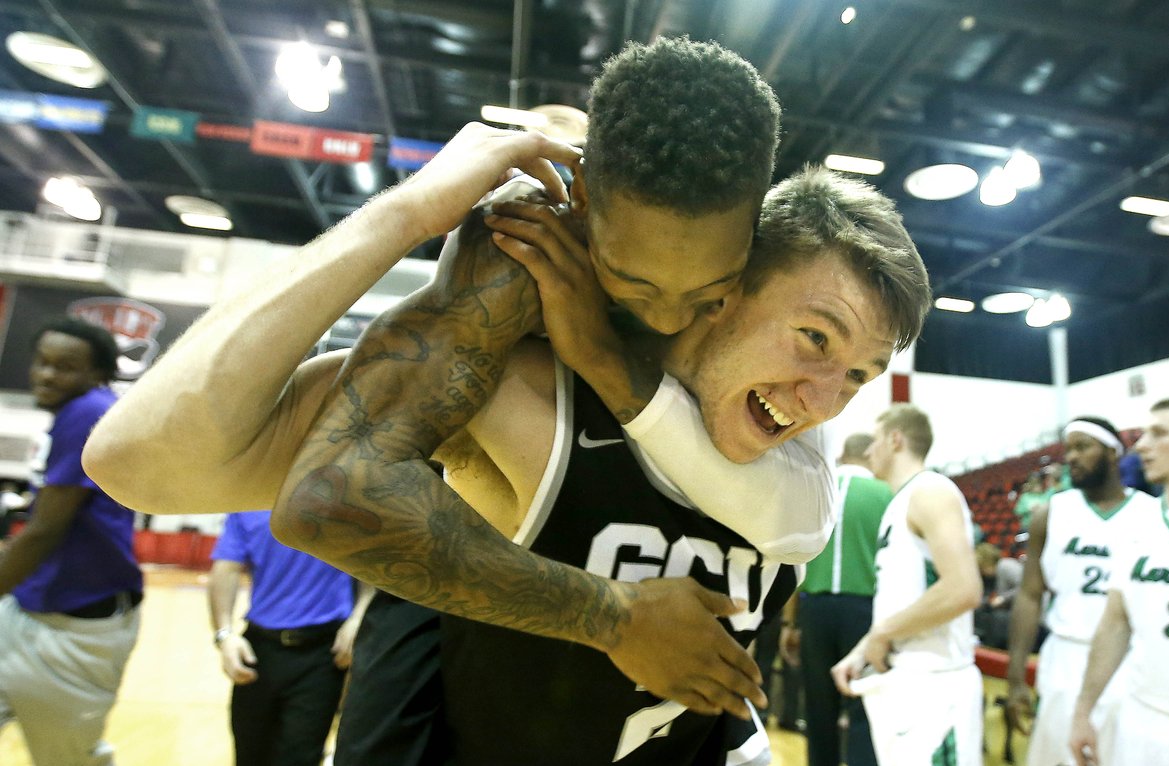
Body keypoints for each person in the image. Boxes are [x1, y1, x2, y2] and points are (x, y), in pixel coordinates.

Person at [83, 123, 929, 751]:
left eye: (860, 375)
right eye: (814, 339)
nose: (826, 398)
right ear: (727, 291)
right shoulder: (522, 386)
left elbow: (766, 597)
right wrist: (411, 210)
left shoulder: (800, 466)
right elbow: (139, 462)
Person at [0, 317, 142, 766]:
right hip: (31, 609)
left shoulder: (86, 411)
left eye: (65, 367)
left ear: (97, 373)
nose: (46, 374)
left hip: (75, 629)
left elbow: (45, 531)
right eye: (42, 362)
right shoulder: (80, 411)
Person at [832, 404, 983, 766]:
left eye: (875, 441)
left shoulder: (931, 491)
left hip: (936, 686)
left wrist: (882, 634)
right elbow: (903, 598)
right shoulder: (899, 502)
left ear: (895, 440)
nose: (868, 451)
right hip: (906, 683)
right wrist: (862, 649)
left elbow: (963, 589)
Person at [1005, 416, 1157, 764]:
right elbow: (1030, 596)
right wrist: (1015, 678)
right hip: (1065, 659)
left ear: (1112, 453)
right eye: (1068, 449)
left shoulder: (1151, 515)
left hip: (1129, 660)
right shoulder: (1050, 512)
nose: (1071, 457)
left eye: (1082, 447)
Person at [1069, 398, 1169, 766]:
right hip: (1141, 717)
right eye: (1143, 434)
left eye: (1159, 433)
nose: (1141, 445)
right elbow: (1115, 624)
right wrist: (1083, 712)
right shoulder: (1137, 522)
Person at [208, 510, 373, 766]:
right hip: (259, 650)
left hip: (322, 653)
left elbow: (368, 562)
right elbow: (226, 568)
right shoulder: (246, 507)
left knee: (300, 756)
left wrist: (358, 618)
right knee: (249, 754)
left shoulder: (342, 500)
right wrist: (224, 634)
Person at [787, 433, 890, 766]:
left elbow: (792, 562)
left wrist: (791, 622)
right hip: (865, 611)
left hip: (814, 609)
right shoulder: (888, 493)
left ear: (844, 454)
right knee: (865, 707)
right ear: (871, 455)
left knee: (818, 707)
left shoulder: (817, 490)